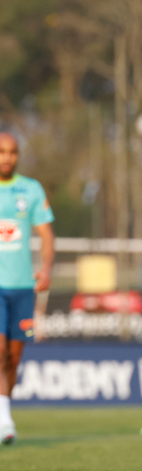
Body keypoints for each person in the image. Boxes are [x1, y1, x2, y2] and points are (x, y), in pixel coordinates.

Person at [0, 132, 55, 444]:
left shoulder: (31, 189)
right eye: (1, 151)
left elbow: (46, 235)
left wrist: (46, 268)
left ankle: (3, 412)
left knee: (13, 357)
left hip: (22, 287)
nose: (7, 157)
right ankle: (4, 422)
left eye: (12, 152)